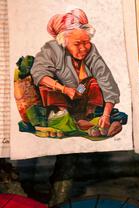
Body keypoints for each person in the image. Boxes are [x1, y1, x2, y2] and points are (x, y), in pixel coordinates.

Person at [30, 9, 124, 137]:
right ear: (64, 42)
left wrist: (106, 114)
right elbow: (38, 73)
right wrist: (64, 89)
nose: (84, 48)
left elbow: (106, 80)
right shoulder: (51, 49)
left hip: (81, 93)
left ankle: (91, 116)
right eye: (77, 44)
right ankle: (64, 118)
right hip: (62, 96)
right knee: (45, 86)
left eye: (86, 42)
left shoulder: (91, 51)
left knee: (93, 82)